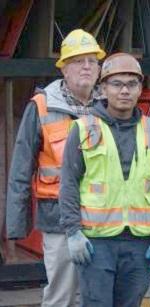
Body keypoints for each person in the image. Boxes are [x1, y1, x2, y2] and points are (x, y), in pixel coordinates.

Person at [59, 53, 150, 306]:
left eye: (132, 84)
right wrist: (73, 233)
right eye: (117, 84)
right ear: (102, 89)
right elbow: (68, 183)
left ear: (140, 89)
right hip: (96, 242)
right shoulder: (83, 128)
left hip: (140, 241)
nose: (125, 91)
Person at [6, 29, 105, 306]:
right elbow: (21, 169)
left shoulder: (109, 105)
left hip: (104, 218)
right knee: (61, 295)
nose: (86, 67)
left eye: (91, 61)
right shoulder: (41, 107)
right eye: (77, 61)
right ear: (63, 68)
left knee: (96, 296)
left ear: (99, 68)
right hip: (59, 218)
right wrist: (16, 226)